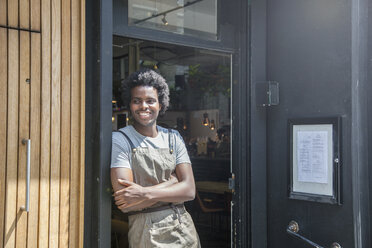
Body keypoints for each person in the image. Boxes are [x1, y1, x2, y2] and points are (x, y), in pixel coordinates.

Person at [111, 69, 200, 248]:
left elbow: (189, 190)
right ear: (130, 104)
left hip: (184, 228)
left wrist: (144, 193)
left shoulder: (173, 137)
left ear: (160, 104)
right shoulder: (121, 139)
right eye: (137, 101)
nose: (144, 106)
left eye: (150, 101)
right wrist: (173, 182)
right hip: (147, 232)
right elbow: (127, 202)